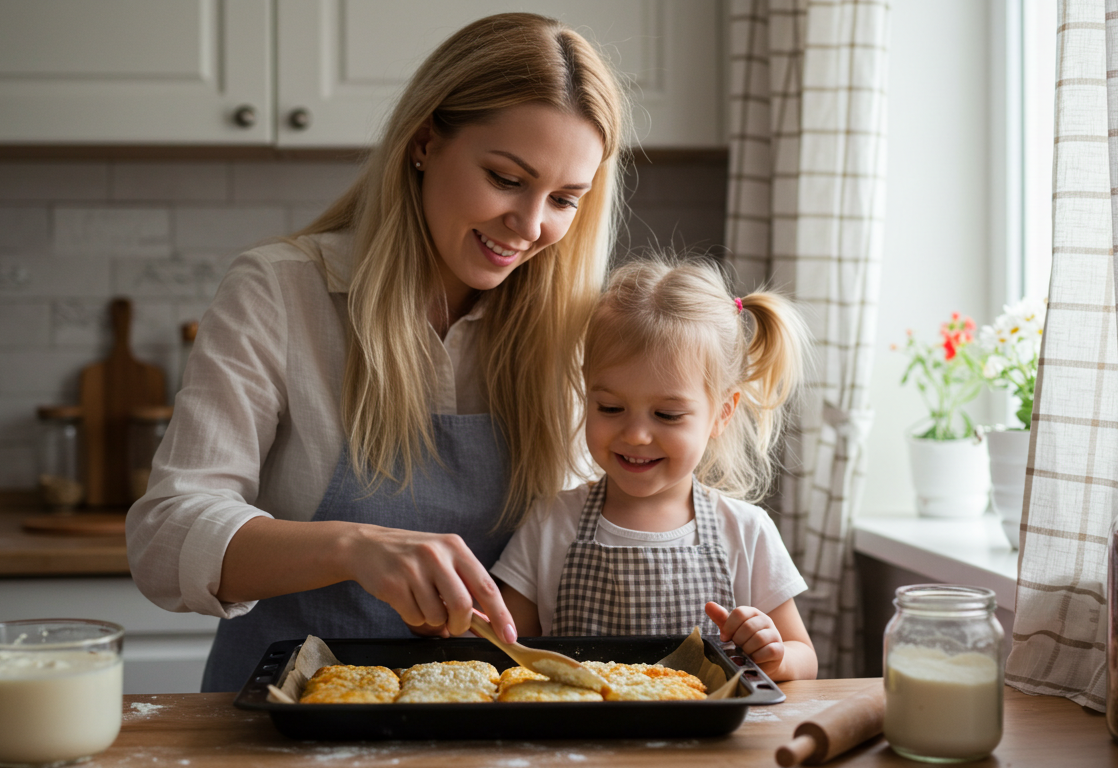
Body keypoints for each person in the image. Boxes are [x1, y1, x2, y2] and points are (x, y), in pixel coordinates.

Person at [126, 13, 630, 692]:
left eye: (565, 199)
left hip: (494, 723)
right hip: (282, 723)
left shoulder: (570, 327)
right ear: (425, 141)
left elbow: (610, 517)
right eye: (507, 179)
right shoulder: (281, 293)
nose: (533, 226)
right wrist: (352, 547)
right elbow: (165, 537)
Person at [489, 256, 819, 681]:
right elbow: (507, 647)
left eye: (666, 414)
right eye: (610, 407)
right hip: (579, 740)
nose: (637, 435)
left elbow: (805, 659)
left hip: (705, 744)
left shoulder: (747, 532)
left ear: (722, 413)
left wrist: (775, 655)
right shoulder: (551, 522)